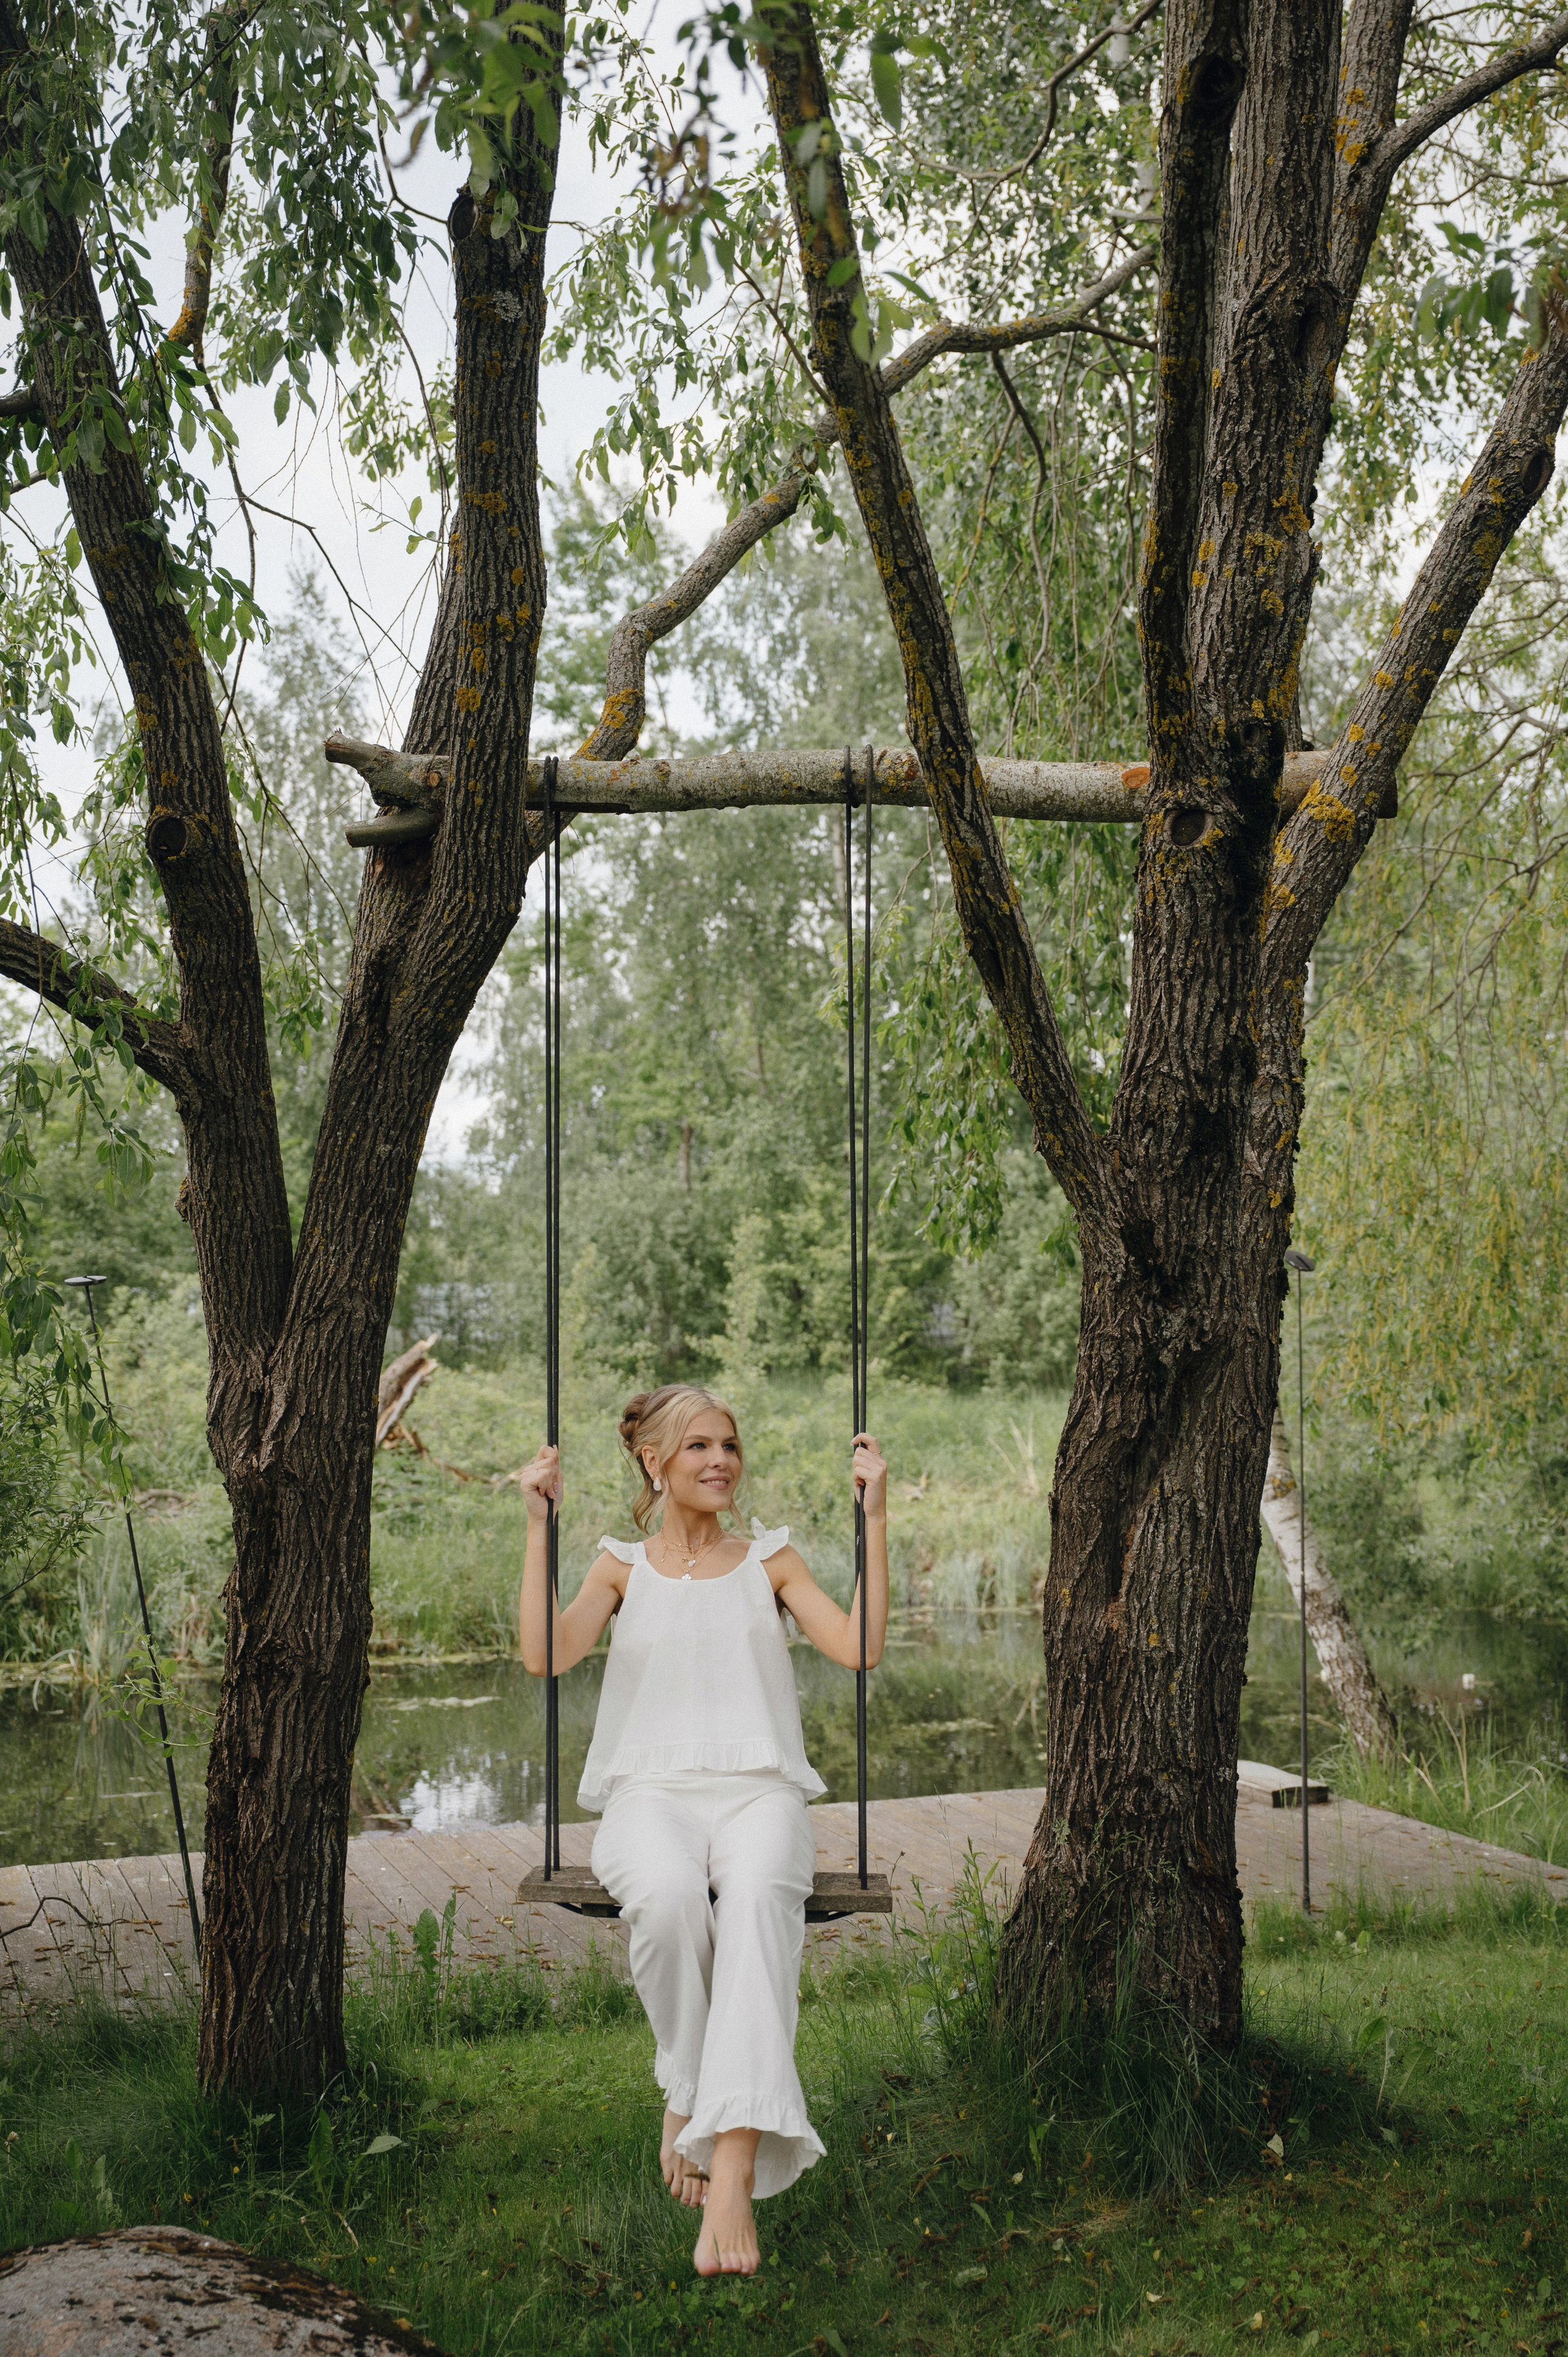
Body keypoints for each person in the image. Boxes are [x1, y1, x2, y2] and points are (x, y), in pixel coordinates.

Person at [516, 1384, 888, 2279]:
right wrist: (537, 1529)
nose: (721, 1461)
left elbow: (860, 1646)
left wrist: (875, 1518)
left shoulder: (773, 1560)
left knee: (759, 1896)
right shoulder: (619, 1565)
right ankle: (690, 2088)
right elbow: (544, 1655)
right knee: (672, 1897)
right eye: (699, 1448)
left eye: (730, 1445)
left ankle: (729, 2162)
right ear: (655, 1461)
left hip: (761, 1793)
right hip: (650, 1797)